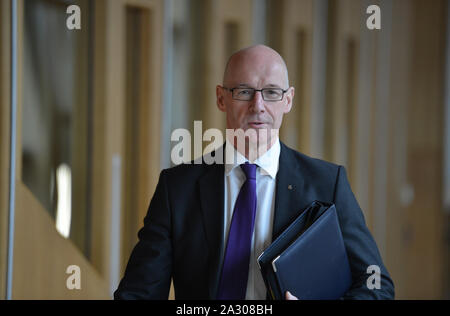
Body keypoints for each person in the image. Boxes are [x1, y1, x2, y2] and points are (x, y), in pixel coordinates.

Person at [114, 45, 395, 300]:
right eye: (244, 91)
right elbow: (140, 293)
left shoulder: (327, 184)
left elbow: (376, 285)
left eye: (272, 92)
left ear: (288, 100)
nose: (258, 106)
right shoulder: (177, 188)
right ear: (221, 98)